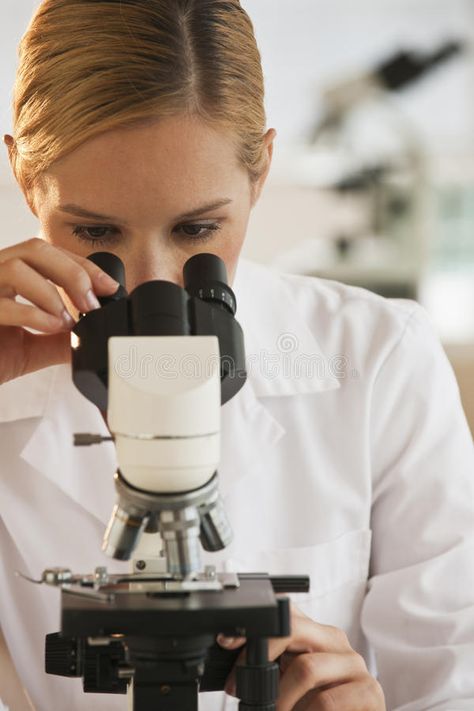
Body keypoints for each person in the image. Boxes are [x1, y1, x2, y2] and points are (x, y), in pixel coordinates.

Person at [0, 1, 473, 710]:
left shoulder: (379, 360)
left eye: (197, 229)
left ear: (260, 174)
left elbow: (452, 683)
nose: (155, 281)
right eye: (96, 231)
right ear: (22, 175)